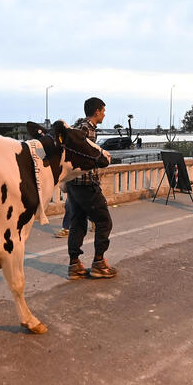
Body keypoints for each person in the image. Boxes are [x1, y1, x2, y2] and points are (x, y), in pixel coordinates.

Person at [66, 97, 117, 280]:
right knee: (104, 222)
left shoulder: (78, 127)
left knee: (77, 222)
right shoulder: (87, 129)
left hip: (74, 184)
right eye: (103, 111)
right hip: (86, 184)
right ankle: (98, 263)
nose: (104, 114)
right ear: (97, 111)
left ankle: (74, 265)